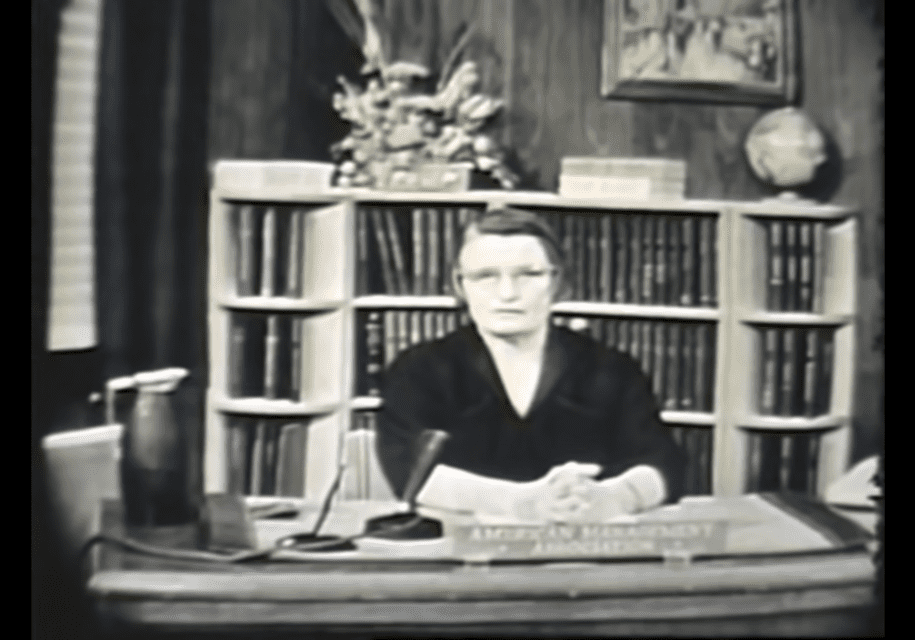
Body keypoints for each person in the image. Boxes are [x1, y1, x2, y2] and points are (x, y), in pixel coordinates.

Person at [375, 208, 686, 522]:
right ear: (460, 285)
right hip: (461, 554)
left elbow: (663, 463)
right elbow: (410, 474)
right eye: (485, 276)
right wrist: (526, 502)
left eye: (529, 275)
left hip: (583, 551)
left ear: (557, 281)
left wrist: (614, 498)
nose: (508, 294)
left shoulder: (611, 369)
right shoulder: (420, 371)